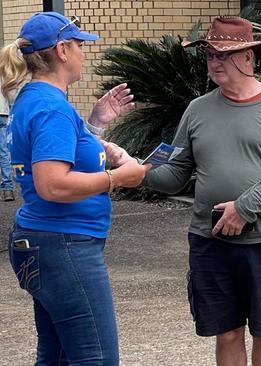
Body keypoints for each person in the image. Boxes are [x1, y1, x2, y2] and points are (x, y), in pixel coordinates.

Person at [105, 16, 261, 366]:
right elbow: (175, 174)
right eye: (210, 54)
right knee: (226, 331)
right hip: (208, 241)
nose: (214, 61)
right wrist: (134, 169)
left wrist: (243, 208)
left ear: (250, 57)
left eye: (224, 54)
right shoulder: (197, 109)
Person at [2, 12, 149, 364]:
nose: (85, 52)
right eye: (80, 45)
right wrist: (120, 177)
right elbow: (53, 185)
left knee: (57, 356)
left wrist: (95, 125)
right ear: (62, 50)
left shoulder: (32, 100)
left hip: (43, 241)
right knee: (95, 358)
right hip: (64, 245)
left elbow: (58, 157)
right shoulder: (52, 108)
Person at [0, 78, 16, 201]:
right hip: (2, 113)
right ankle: (8, 189)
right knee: (3, 153)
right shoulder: (2, 71)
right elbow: (11, 96)